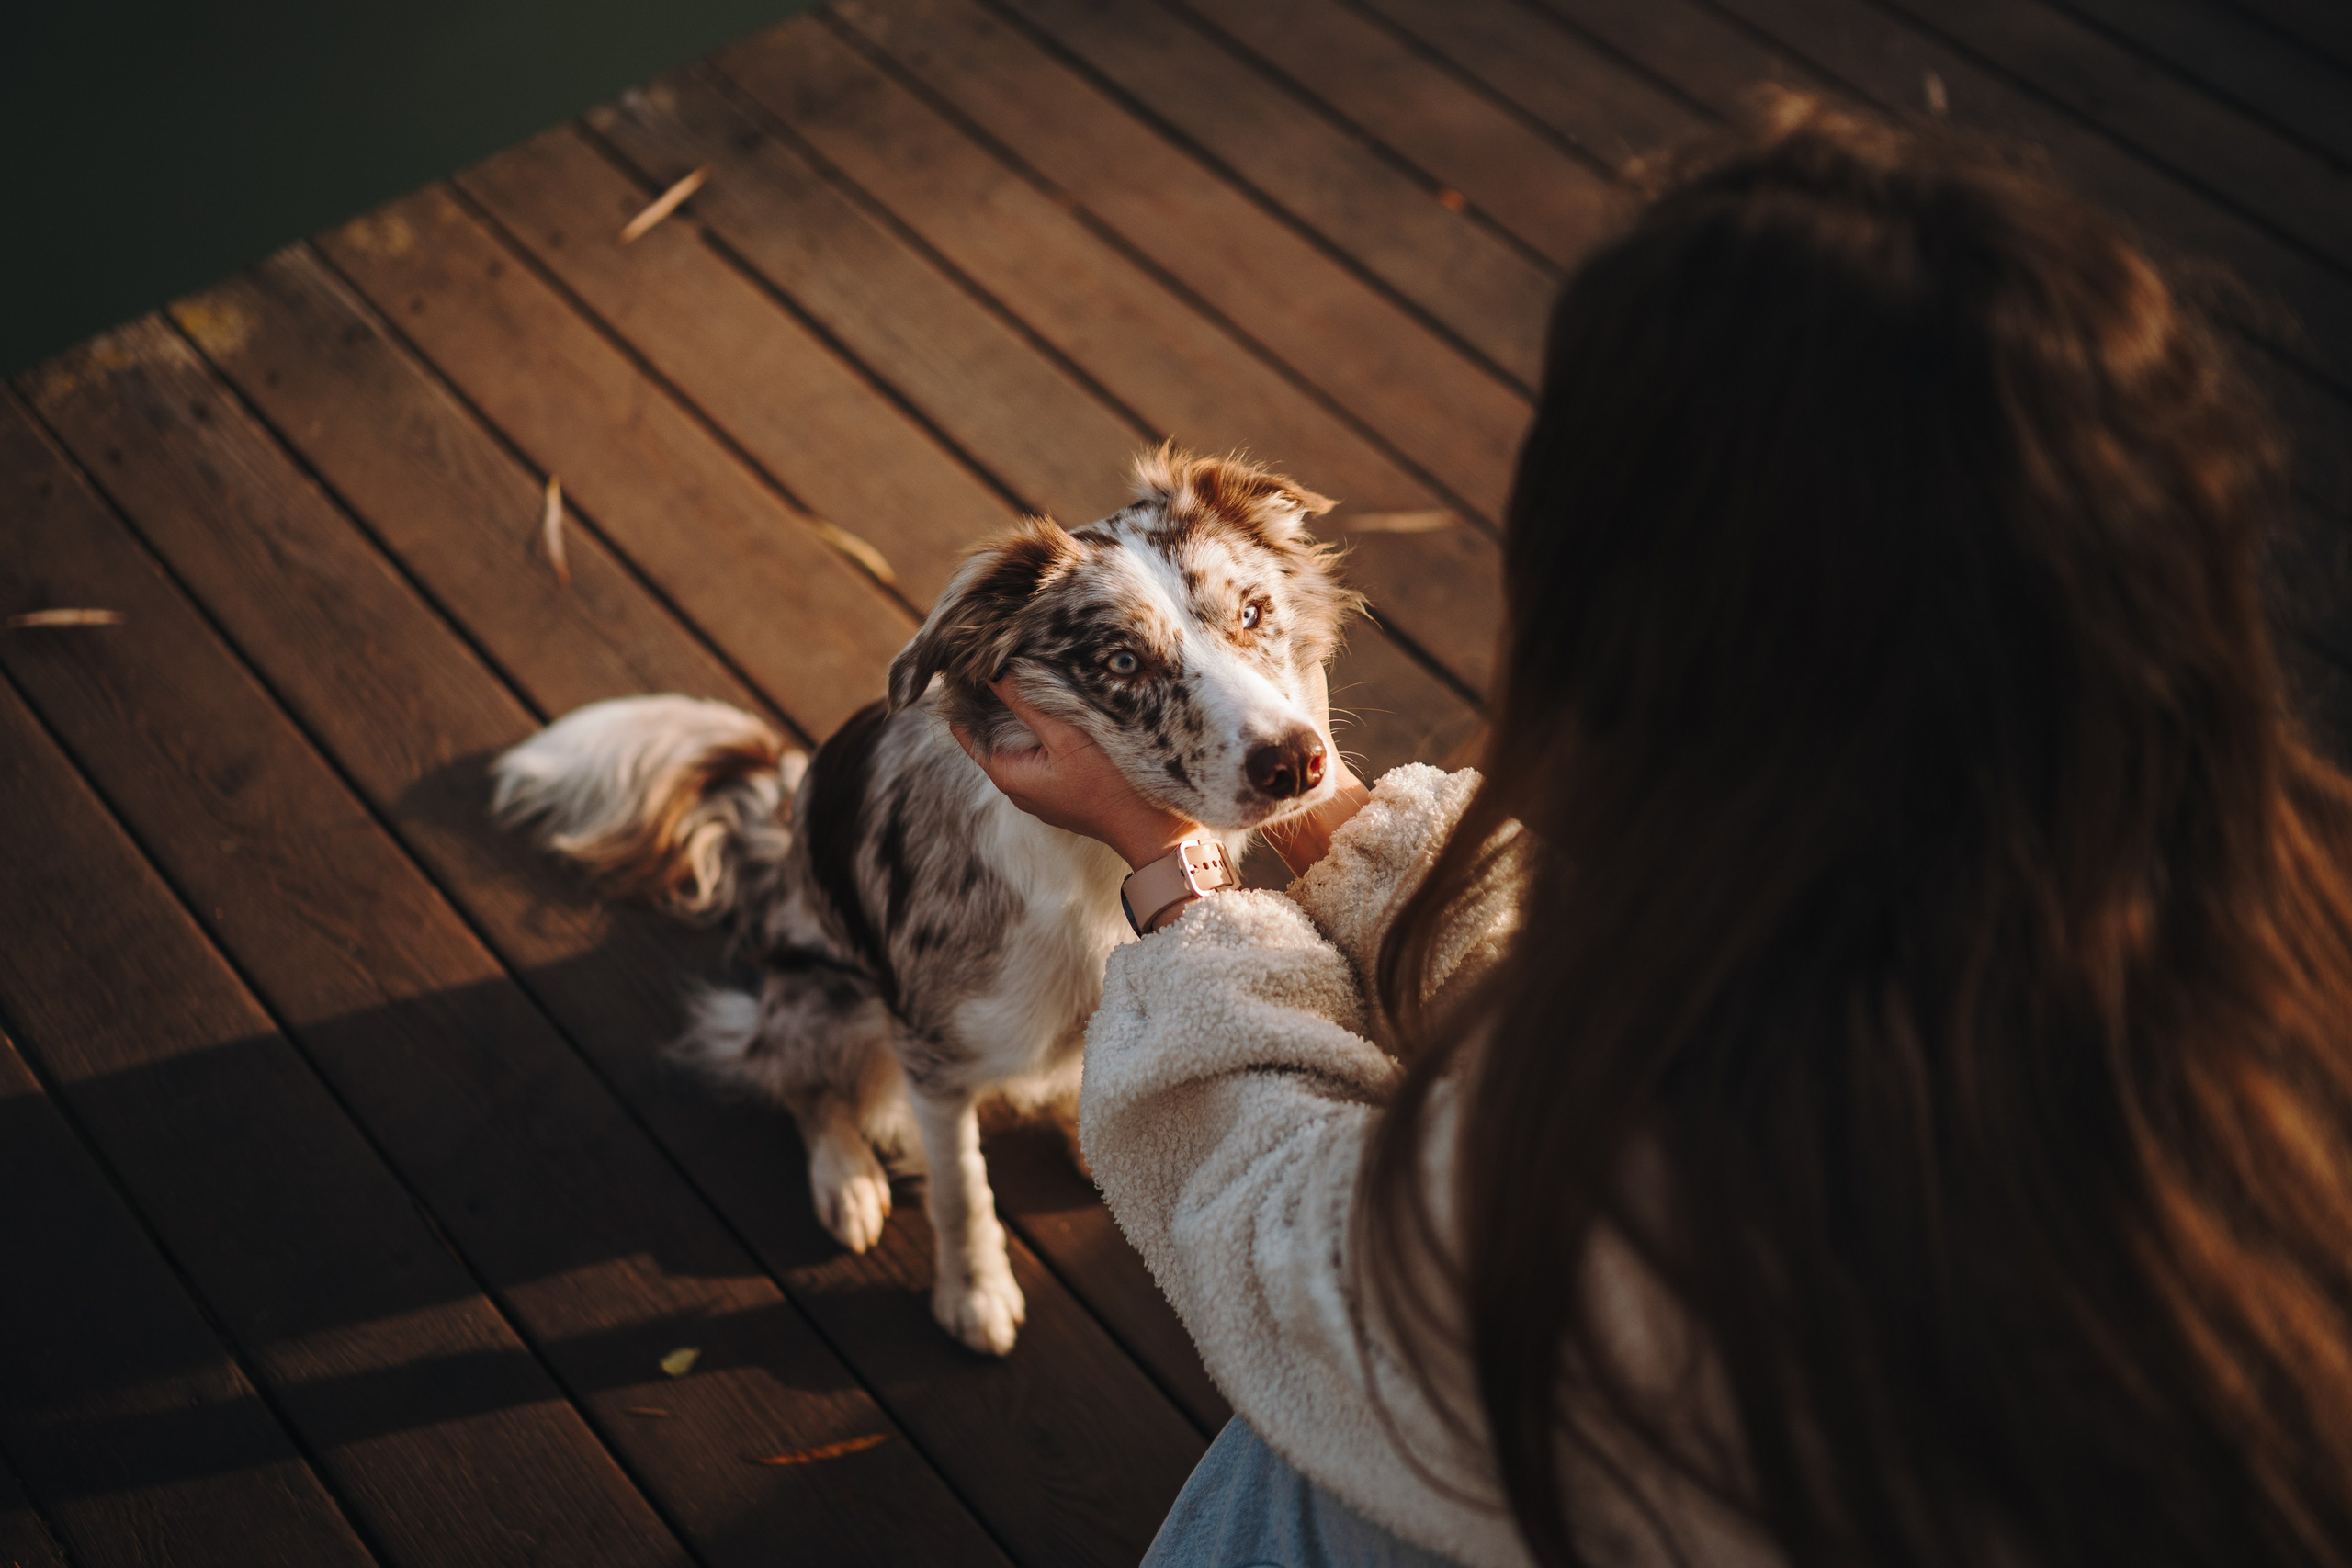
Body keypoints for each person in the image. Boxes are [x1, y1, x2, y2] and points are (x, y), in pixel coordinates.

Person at [956, 94, 2352, 1568]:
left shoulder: (1740, 1161)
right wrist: (1343, 833)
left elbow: (1307, 1268)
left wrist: (1170, 866)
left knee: (1289, 1491)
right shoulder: (2247, 920)